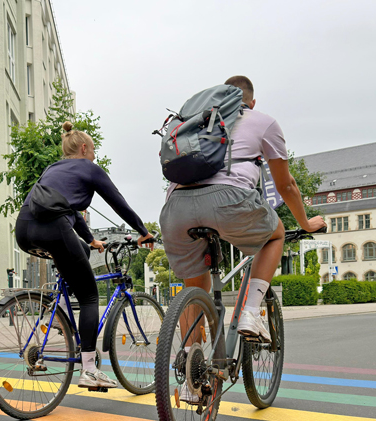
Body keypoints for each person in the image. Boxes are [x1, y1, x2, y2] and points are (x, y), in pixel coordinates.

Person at [160, 76, 325, 341]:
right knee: (276, 234)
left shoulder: (195, 119)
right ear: (252, 101)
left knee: (195, 289)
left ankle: (192, 366)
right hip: (229, 201)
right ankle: (250, 312)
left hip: (175, 207)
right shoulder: (263, 121)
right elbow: (286, 186)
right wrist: (306, 224)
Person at [16, 122, 154, 389]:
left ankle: (59, 311)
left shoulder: (52, 169)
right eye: (93, 150)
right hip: (54, 228)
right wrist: (143, 231)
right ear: (83, 148)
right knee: (90, 296)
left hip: (24, 230)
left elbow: (67, 210)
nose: (94, 155)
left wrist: (91, 240)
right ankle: (89, 369)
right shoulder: (89, 168)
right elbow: (118, 202)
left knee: (79, 250)